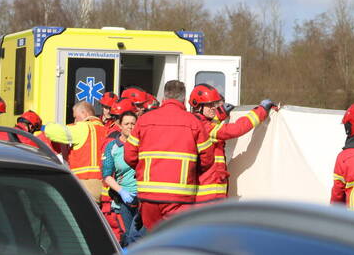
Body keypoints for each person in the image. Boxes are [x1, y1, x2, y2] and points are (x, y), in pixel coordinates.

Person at [123, 79, 215, 228]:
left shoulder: (144, 120)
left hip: (149, 195)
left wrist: (143, 168)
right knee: (175, 242)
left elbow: (129, 155)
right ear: (184, 100)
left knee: (154, 241)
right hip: (180, 196)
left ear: (163, 99)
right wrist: (192, 171)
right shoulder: (194, 123)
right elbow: (207, 159)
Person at [189, 84, 275, 203]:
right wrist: (261, 110)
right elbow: (236, 129)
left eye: (214, 104)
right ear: (197, 106)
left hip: (209, 193)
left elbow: (209, 123)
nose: (214, 107)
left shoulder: (196, 122)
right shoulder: (204, 128)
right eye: (210, 105)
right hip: (209, 196)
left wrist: (220, 114)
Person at [43, 101, 108, 204]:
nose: (75, 120)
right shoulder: (105, 129)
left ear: (85, 114)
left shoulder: (82, 128)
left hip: (85, 185)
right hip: (104, 186)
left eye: (76, 117)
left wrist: (45, 127)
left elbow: (53, 132)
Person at [102, 106, 143, 246]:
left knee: (138, 237)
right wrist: (121, 191)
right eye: (127, 124)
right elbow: (106, 175)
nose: (130, 127)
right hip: (124, 200)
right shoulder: (112, 147)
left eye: (133, 123)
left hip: (143, 199)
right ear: (119, 125)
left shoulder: (143, 144)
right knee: (128, 238)